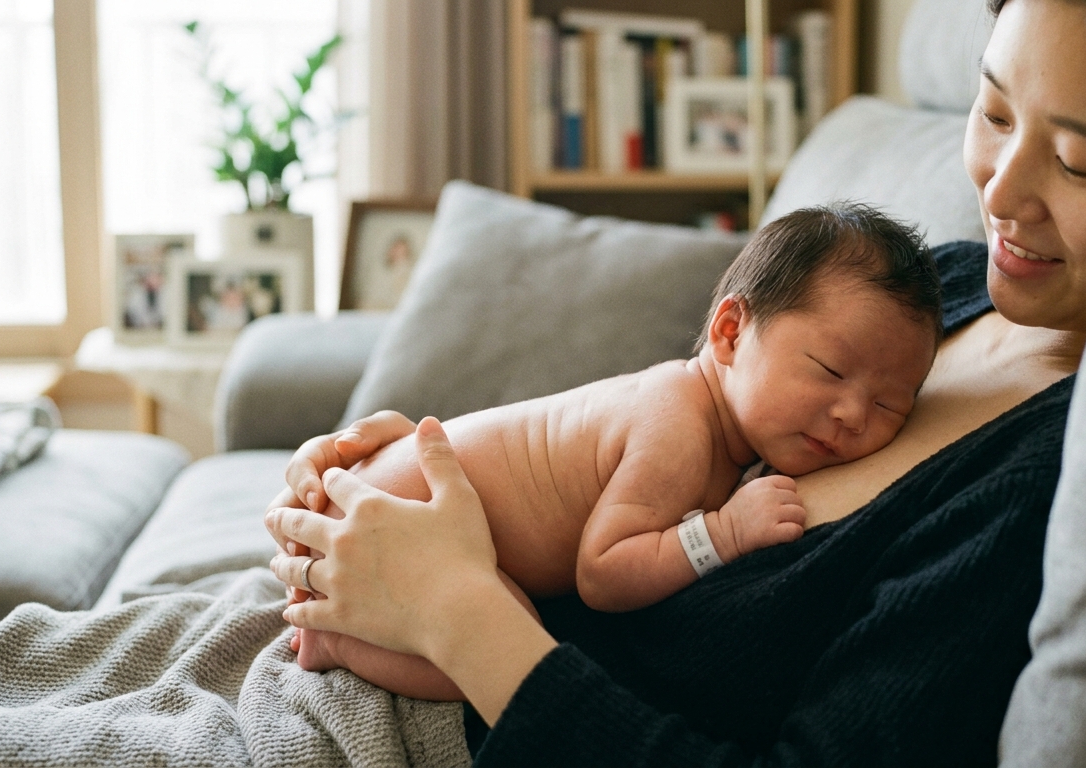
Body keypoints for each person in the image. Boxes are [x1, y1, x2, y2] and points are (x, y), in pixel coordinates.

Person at [267, 0, 1086, 764]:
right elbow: (664, 424)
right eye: (990, 112)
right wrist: (419, 478)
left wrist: (452, 605)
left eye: (1079, 163)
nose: (1001, 191)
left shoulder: (1057, 488)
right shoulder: (950, 291)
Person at [288, 204, 942, 700]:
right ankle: (339, 640)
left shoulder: (699, 414)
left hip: (392, 508)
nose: (854, 414)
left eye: (892, 405)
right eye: (829, 371)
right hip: (395, 524)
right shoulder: (680, 432)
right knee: (511, 642)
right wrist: (723, 531)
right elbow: (602, 574)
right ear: (731, 332)